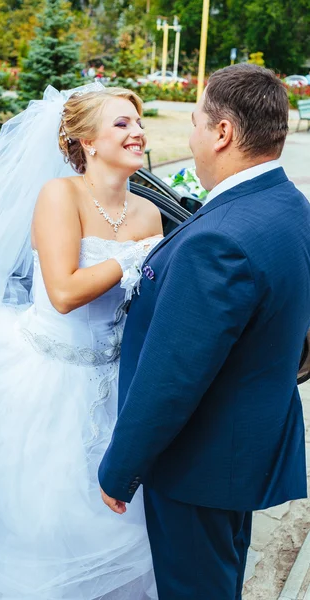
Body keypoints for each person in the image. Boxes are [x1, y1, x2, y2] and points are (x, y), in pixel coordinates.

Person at [0, 83, 162, 599]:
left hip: (114, 385)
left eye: (138, 122)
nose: (137, 132)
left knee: (122, 527)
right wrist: (137, 258)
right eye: (122, 123)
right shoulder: (59, 196)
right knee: (48, 530)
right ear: (88, 142)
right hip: (48, 387)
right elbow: (65, 291)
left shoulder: (149, 214)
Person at [99, 63, 310, 599]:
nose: (187, 135)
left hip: (199, 462)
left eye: (194, 121)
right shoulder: (290, 207)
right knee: (220, 579)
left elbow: (173, 377)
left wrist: (121, 469)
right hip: (245, 448)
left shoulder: (219, 241)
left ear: (222, 133)